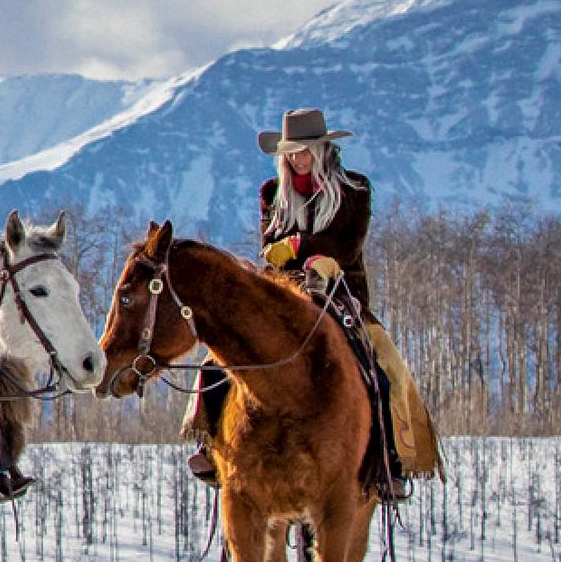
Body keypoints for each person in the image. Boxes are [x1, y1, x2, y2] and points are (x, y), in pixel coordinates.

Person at [185, 107, 439, 494]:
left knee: (385, 368)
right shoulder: (273, 193)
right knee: (220, 357)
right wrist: (276, 253)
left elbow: (348, 247)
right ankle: (213, 444)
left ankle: (391, 459)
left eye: (304, 149)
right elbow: (269, 246)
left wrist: (302, 245)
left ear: (322, 149)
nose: (297, 157)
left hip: (339, 295)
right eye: (290, 151)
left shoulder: (354, 189)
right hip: (281, 296)